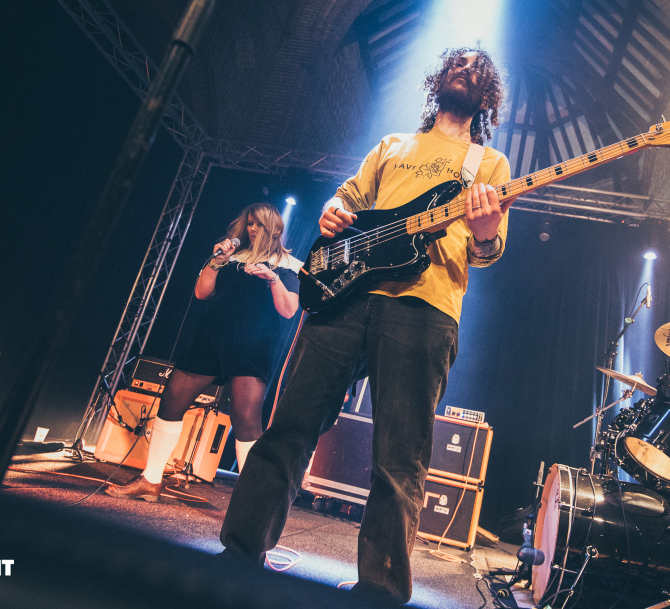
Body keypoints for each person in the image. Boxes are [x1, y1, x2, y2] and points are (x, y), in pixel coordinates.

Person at [219, 47, 511, 603]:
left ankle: (379, 592)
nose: (467, 70)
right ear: (439, 79)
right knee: (288, 429)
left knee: (399, 460)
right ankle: (237, 556)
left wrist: (486, 230)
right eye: (459, 63)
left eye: (479, 69)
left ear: (486, 95)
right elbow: (347, 199)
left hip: (424, 309)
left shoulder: (488, 164)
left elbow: (489, 252)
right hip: (343, 298)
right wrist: (331, 208)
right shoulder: (393, 145)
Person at [107, 203, 300, 502]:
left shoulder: (286, 263)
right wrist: (215, 261)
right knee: (172, 399)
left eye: (258, 224)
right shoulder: (233, 256)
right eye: (249, 223)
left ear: (275, 228)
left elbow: (288, 310)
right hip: (212, 335)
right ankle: (151, 480)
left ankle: (250, 504)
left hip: (253, 343)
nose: (251, 229)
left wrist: (271, 278)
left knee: (245, 419)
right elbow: (201, 292)